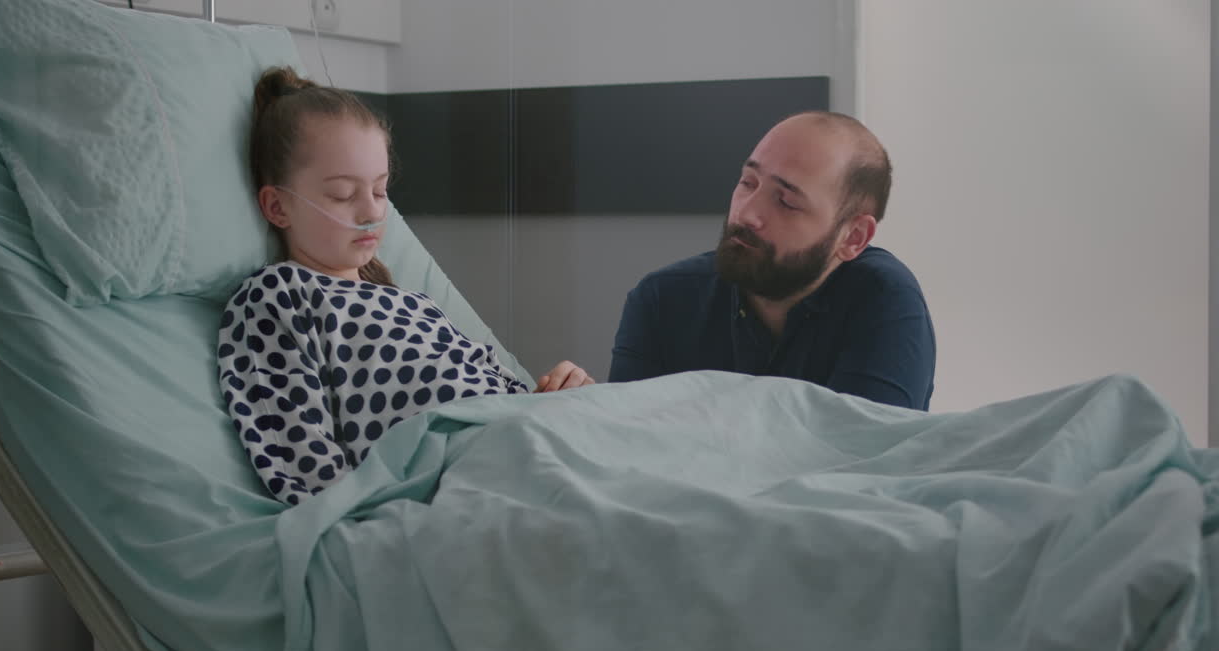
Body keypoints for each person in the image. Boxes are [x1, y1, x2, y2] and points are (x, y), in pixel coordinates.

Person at [219, 67, 593, 506]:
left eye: (379, 192)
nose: (370, 212)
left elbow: (495, 393)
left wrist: (558, 396)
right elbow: (299, 454)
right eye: (342, 194)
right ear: (278, 206)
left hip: (524, 438)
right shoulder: (279, 295)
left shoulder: (412, 302)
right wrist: (364, 521)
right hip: (469, 477)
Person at [608, 111, 935, 410]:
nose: (746, 213)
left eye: (786, 202)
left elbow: (862, 459)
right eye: (747, 183)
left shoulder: (884, 300)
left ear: (853, 237)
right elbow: (630, 448)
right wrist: (581, 413)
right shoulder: (661, 299)